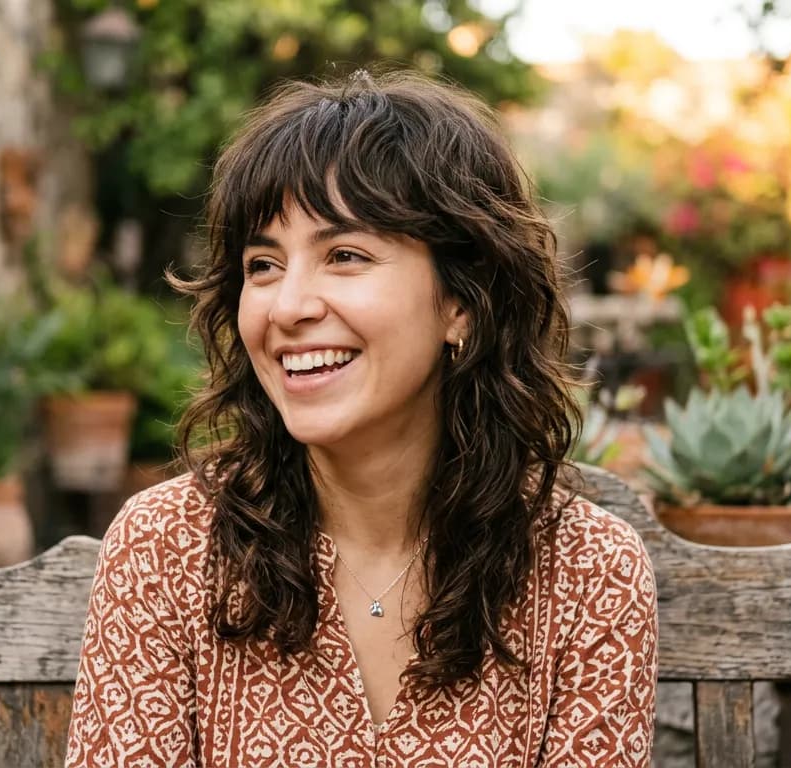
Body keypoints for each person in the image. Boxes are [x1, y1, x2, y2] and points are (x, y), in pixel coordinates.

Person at [66, 70, 658, 767]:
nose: (287, 308)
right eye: (262, 265)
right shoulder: (166, 549)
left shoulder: (588, 573)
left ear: (461, 302)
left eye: (344, 255)